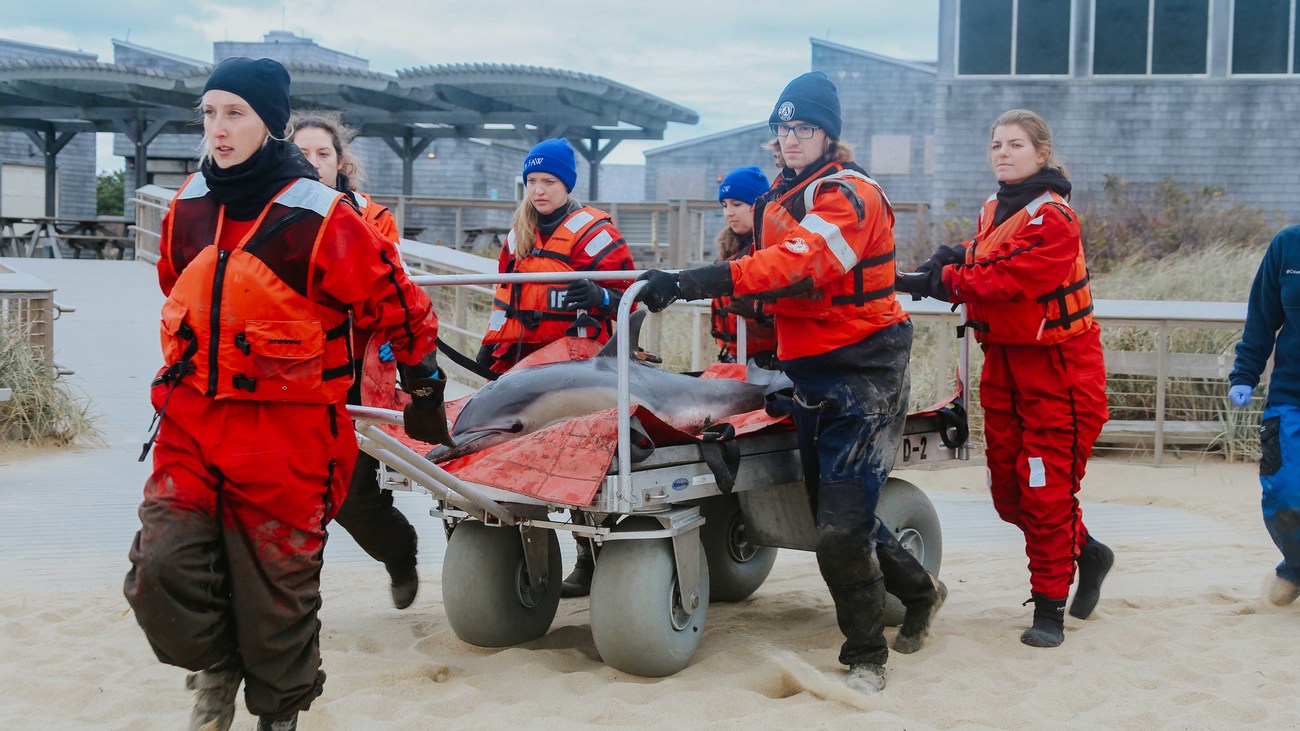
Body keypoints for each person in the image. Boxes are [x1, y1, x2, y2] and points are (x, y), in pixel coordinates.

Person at [123, 57, 453, 731]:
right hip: (191, 426)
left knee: (279, 603)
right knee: (160, 571)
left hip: (289, 438)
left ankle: (279, 716)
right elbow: (176, 288)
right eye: (209, 112)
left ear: (270, 124)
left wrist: (424, 385)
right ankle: (216, 665)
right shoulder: (186, 206)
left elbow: (402, 303)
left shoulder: (322, 218)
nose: (218, 127)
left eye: (235, 113)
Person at [638, 71, 945, 694]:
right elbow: (773, 287)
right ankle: (921, 591)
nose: (791, 138)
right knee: (833, 515)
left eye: (803, 127)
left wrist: (692, 280)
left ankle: (865, 657)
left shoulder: (850, 196)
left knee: (838, 530)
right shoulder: (782, 197)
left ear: (828, 134)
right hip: (807, 373)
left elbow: (795, 264)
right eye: (783, 128)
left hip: (865, 374)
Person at [896, 109, 1114, 648]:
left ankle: (1048, 610)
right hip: (1006, 367)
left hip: (1059, 372)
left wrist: (941, 280)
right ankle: (1087, 551)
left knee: (1045, 492)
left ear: (1041, 153)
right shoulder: (996, 209)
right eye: (996, 144)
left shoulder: (1056, 219)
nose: (1003, 152)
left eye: (1015, 144)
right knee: (1011, 496)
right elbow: (981, 256)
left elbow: (1011, 277)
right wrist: (940, 262)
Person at [475, 137, 635, 597]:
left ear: (567, 184)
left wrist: (603, 297)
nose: (539, 190)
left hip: (579, 368)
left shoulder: (597, 234)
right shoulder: (516, 236)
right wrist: (491, 346)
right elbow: (503, 299)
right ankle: (527, 557)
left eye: (548, 181)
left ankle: (593, 558)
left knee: (582, 463)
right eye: (531, 181)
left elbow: (634, 299)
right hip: (528, 366)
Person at [291, 111, 421, 611]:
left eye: (323, 154)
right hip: (287, 375)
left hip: (355, 374)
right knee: (290, 498)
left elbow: (389, 290)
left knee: (353, 497)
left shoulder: (372, 217)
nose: (314, 163)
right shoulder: (262, 214)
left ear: (340, 162)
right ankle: (293, 604)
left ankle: (399, 553)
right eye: (302, 154)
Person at [1228, 226, 1300, 608]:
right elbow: (1262, 316)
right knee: (1284, 493)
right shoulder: (1288, 245)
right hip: (1291, 396)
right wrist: (1245, 374)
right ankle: (1296, 567)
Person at [711, 165, 778, 368]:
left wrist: (764, 312)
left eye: (737, 204)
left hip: (773, 363)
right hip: (734, 358)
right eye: (724, 205)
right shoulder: (728, 253)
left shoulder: (777, 249)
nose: (728, 213)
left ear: (758, 204)